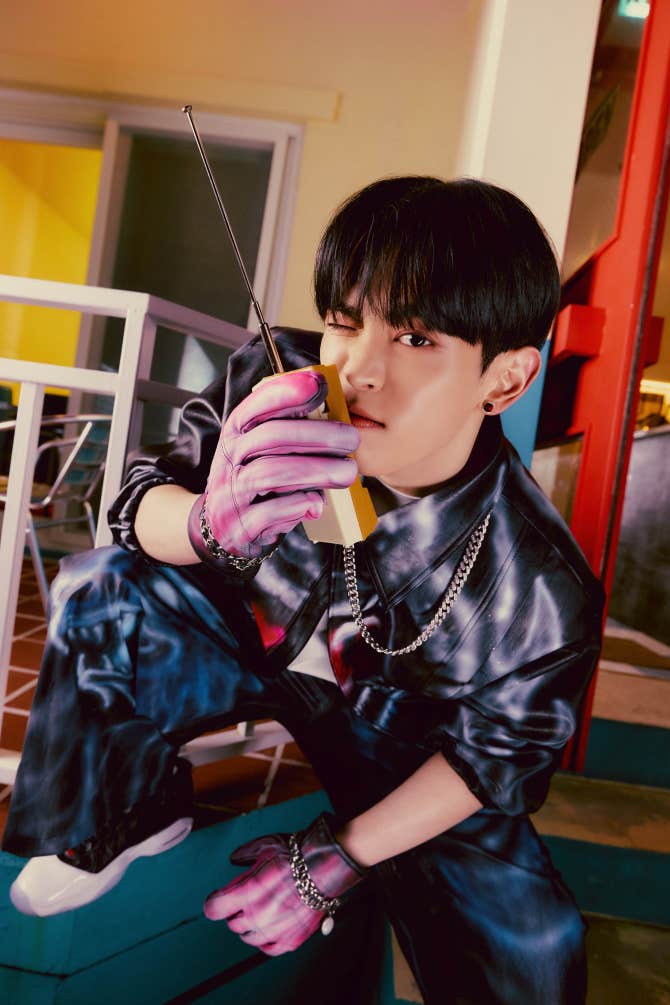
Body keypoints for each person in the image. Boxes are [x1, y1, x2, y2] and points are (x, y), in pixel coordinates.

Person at [4, 176, 603, 1004]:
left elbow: (491, 761)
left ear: (504, 380)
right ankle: (133, 805)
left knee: (535, 958)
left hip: (405, 752)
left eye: (416, 337)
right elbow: (139, 501)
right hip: (250, 644)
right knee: (102, 589)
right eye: (345, 323)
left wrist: (341, 856)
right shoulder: (279, 376)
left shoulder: (543, 583)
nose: (358, 368)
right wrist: (205, 523)